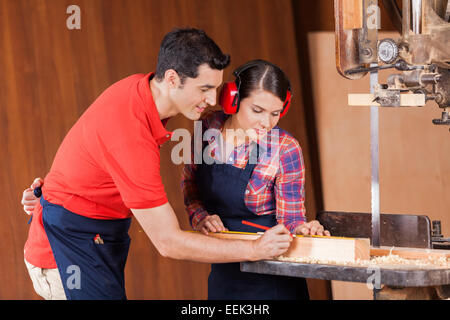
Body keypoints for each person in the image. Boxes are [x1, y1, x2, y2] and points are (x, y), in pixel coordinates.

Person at [19, 28, 294, 300]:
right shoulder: (131, 132)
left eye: (216, 88)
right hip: (67, 249)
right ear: (172, 79)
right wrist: (255, 250)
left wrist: (52, 188)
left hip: (94, 237)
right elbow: (168, 242)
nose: (213, 100)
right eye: (205, 89)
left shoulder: (142, 90)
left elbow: (89, 149)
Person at [182, 60, 330, 300]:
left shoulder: (285, 148)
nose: (266, 123)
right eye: (257, 111)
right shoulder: (207, 128)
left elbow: (290, 220)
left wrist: (305, 229)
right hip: (224, 272)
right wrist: (201, 218)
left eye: (275, 114)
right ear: (233, 100)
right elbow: (190, 187)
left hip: (272, 280)